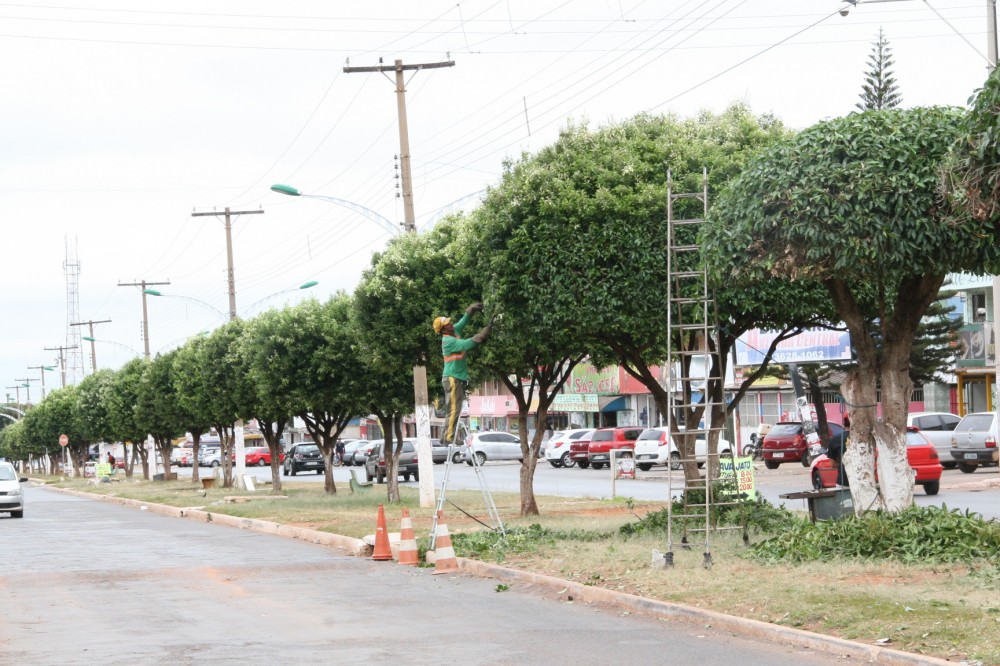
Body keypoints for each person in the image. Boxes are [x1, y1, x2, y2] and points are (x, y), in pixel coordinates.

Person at [434, 302, 492, 446]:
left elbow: (463, 321)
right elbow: (466, 344)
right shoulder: (448, 340)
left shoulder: (454, 331)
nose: (451, 323)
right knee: (454, 409)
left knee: (452, 409)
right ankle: (449, 438)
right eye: (447, 323)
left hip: (454, 378)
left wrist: (470, 311)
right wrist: (482, 335)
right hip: (452, 378)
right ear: (443, 330)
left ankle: (445, 437)